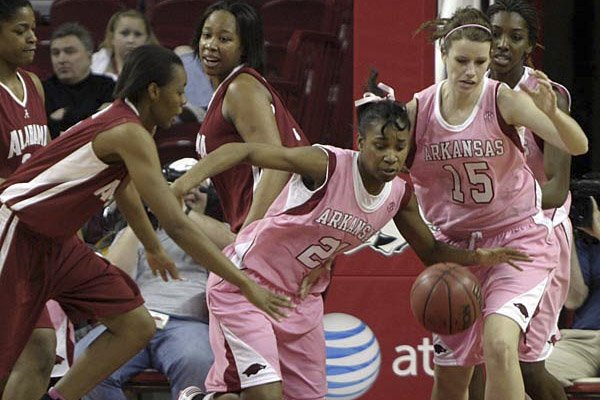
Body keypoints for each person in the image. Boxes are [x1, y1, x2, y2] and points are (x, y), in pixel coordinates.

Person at [171, 86, 532, 400]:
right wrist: (184, 183)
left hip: (300, 298)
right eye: (380, 146)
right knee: (266, 395)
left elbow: (432, 252)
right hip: (247, 285)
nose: (391, 156)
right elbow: (246, 152)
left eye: (399, 147)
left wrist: (481, 255)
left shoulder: (399, 195)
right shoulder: (326, 164)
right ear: (360, 143)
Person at [0, 44, 293, 400]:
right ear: (154, 91)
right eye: (179, 91)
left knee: (136, 325)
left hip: (58, 242)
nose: (183, 101)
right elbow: (178, 223)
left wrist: (152, 247)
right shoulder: (129, 132)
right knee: (13, 358)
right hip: (16, 230)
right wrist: (244, 283)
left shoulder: (131, 124)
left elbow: (123, 190)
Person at [404, 7, 587, 400]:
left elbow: (578, 144)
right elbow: (379, 174)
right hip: (458, 250)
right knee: (453, 378)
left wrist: (552, 112)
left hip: (516, 242)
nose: (471, 71)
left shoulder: (502, 99)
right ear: (443, 55)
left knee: (502, 345)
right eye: (462, 61)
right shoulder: (417, 110)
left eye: (480, 63)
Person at [469, 1, 574, 399]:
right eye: (495, 33)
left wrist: (498, 212)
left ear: (530, 46)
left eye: (515, 37)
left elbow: (556, 189)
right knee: (475, 362)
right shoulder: (469, 88)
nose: (502, 44)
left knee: (528, 368)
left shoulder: (547, 96)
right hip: (483, 238)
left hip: (539, 237)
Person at [75, 180, 231, 399]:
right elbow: (114, 278)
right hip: (134, 321)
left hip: (188, 324)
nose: (190, 192)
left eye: (198, 188)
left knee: (199, 362)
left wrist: (178, 211)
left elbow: (234, 245)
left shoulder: (218, 231)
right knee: (82, 367)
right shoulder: (140, 232)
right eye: (180, 184)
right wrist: (145, 214)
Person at [191, 0, 310, 234]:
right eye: (206, 35)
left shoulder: (241, 89)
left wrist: (248, 237)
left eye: (224, 39)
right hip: (267, 224)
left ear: (244, 47)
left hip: (276, 227)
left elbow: (277, 166)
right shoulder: (232, 88)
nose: (210, 45)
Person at [0, 2, 59, 399]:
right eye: (21, 30)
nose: (33, 38)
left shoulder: (34, 85)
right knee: (36, 348)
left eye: (34, 28)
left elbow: (49, 158)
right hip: (3, 232)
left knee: (35, 351)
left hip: (31, 234)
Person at [544, 196, 600, 387]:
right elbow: (573, 300)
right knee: (536, 379)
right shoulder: (587, 243)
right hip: (585, 341)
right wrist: (566, 231)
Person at [44, 22, 115, 139]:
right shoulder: (42, 91)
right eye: (55, 53)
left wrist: (65, 114)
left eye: (69, 51)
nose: (61, 59)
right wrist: (93, 113)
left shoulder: (107, 86)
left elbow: (109, 125)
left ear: (90, 57)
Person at [91, 9, 158, 81]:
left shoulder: (158, 69)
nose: (131, 40)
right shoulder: (93, 63)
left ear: (147, 40)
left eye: (138, 34)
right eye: (124, 33)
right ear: (112, 38)